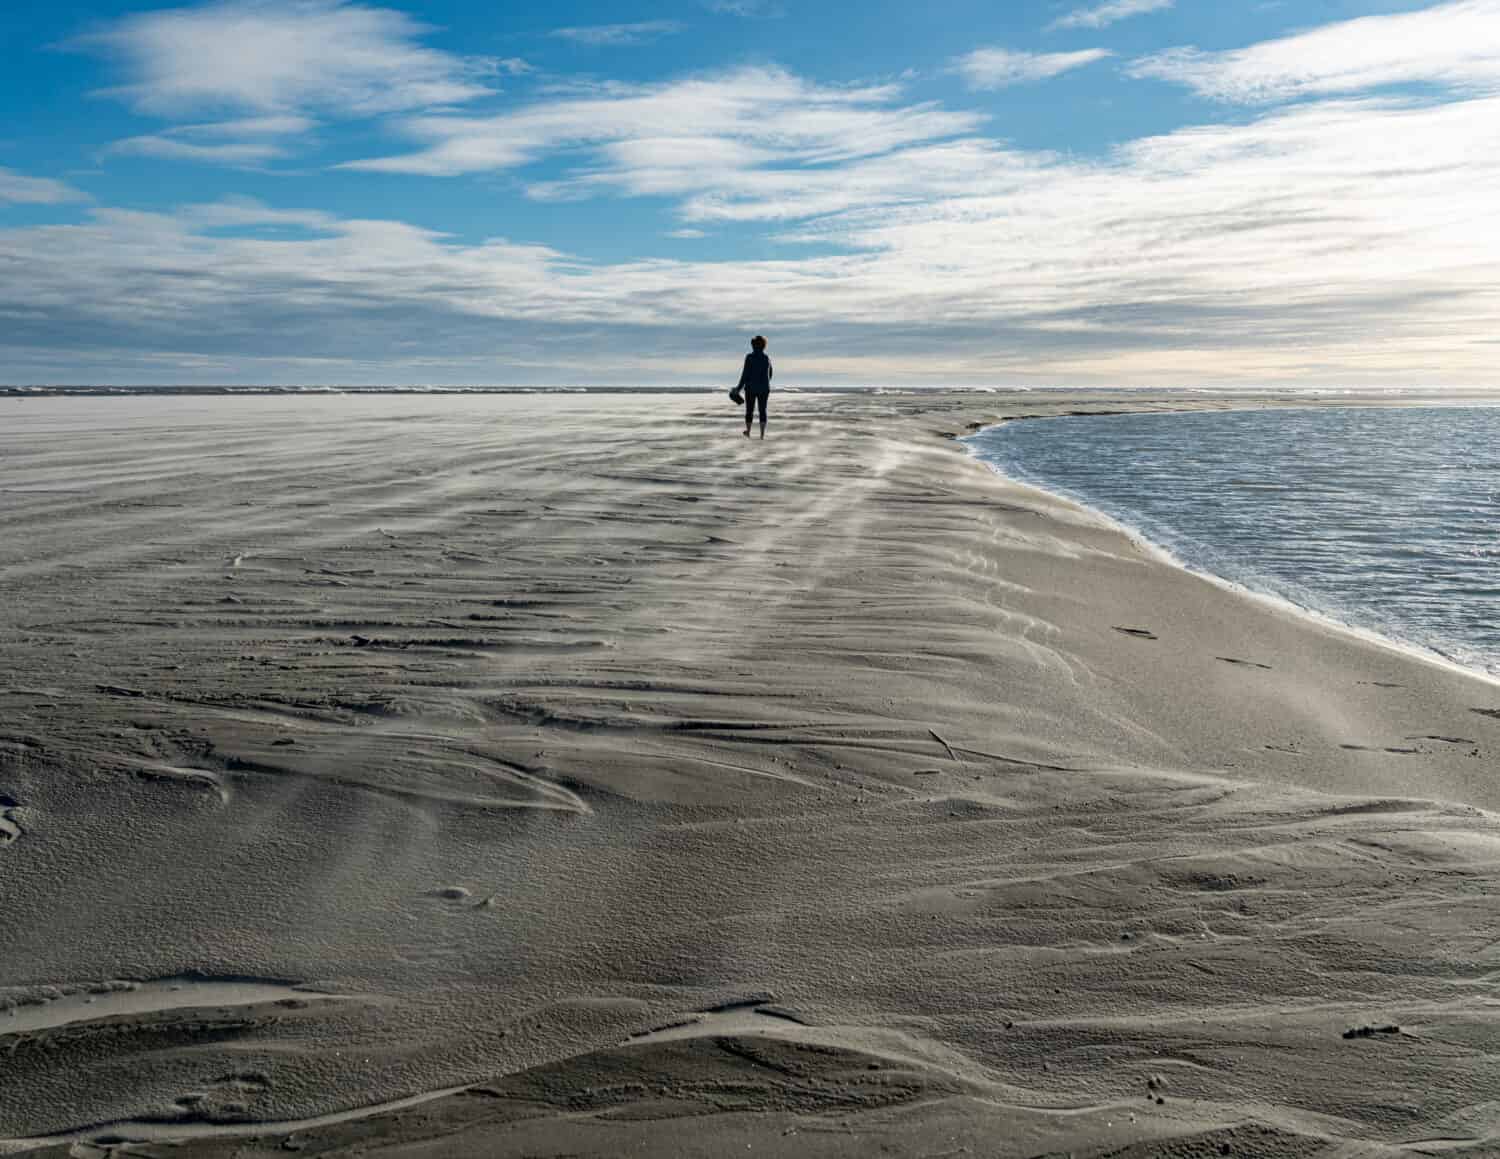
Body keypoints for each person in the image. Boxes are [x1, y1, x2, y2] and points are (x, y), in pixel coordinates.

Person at [737, 335, 772, 439]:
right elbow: (770, 373)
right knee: (763, 410)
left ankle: (748, 431)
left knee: (749, 410)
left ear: (753, 345)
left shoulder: (749, 357)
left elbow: (745, 374)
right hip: (764, 388)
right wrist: (765, 383)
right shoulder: (766, 358)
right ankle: (762, 435)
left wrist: (738, 388)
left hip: (751, 388)